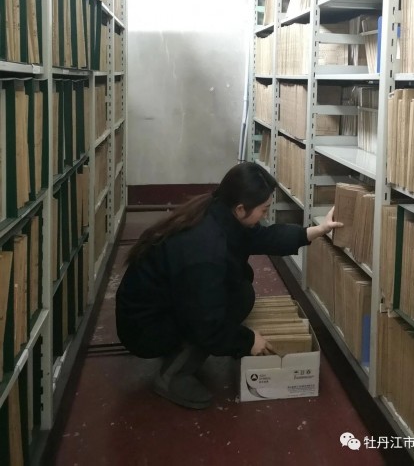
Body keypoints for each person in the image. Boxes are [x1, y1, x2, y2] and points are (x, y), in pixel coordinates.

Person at [115, 161, 342, 409]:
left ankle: (178, 349)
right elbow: (206, 323)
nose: (265, 215)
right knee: (231, 302)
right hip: (144, 328)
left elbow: (263, 237)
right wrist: (246, 341)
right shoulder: (205, 249)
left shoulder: (219, 210)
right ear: (241, 209)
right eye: (264, 210)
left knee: (240, 293)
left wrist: (317, 230)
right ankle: (171, 376)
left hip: (163, 306)